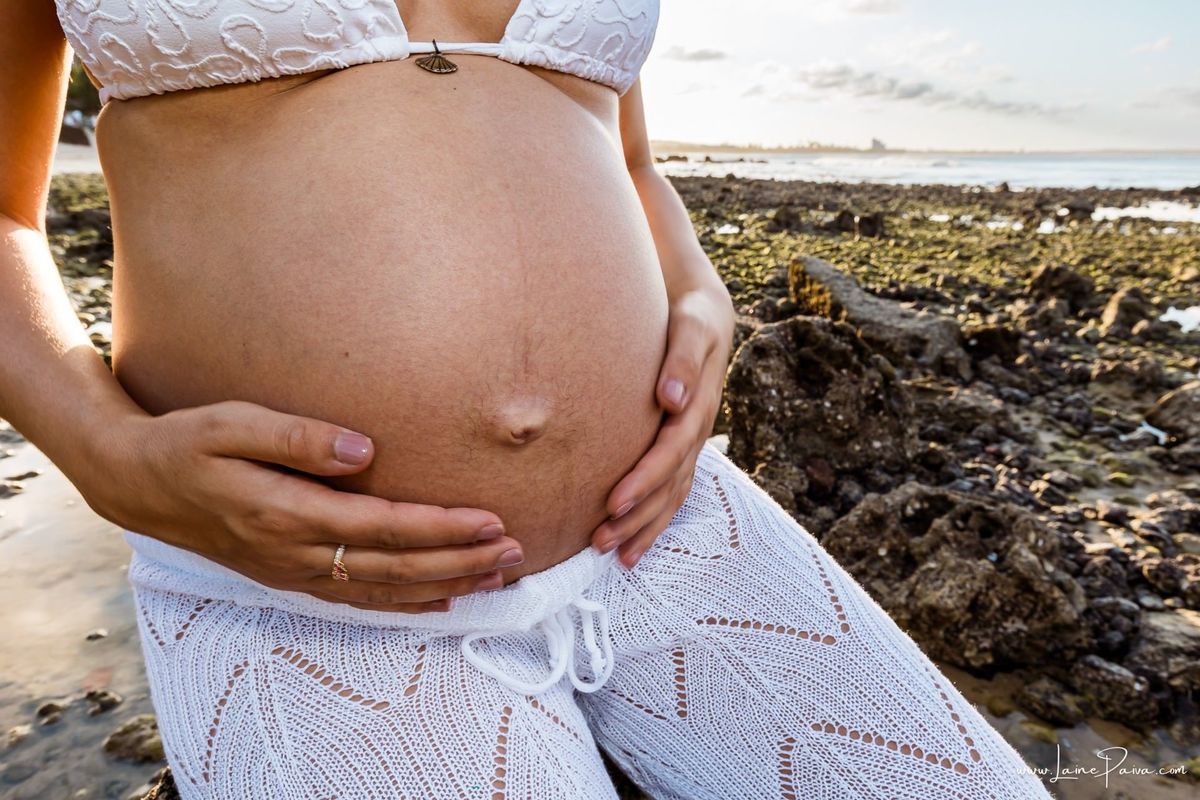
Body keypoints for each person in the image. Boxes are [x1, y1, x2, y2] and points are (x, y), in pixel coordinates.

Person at [3, 1, 1054, 797]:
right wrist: (106, 456)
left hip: (661, 531)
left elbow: (626, 154)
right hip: (310, 595)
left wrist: (699, 288)